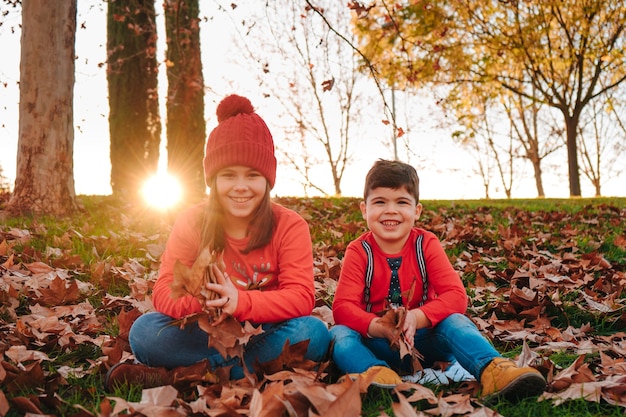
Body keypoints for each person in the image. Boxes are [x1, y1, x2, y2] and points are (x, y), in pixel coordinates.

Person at [105, 94, 330, 389]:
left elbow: (301, 296)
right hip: (206, 332)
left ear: (267, 180)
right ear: (213, 179)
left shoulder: (289, 225)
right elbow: (163, 290)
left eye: (252, 175)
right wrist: (203, 304)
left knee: (314, 331)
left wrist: (239, 301)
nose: (240, 187)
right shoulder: (192, 221)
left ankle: (184, 376)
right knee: (145, 332)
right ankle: (238, 372)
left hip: (264, 332)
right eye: (228, 175)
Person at [329, 159, 546, 403]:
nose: (390, 210)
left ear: (417, 211)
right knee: (339, 334)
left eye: (402, 202)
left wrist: (415, 318)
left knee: (456, 321)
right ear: (364, 209)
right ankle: (377, 376)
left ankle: (494, 369)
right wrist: (378, 326)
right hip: (377, 343)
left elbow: (455, 295)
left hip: (426, 343)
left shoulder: (425, 244)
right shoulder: (359, 251)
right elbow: (342, 308)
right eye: (380, 202)